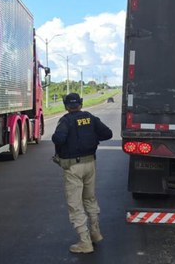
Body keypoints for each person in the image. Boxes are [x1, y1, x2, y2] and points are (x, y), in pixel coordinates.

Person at [52, 92, 113, 254]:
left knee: (75, 204)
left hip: (73, 167)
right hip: (90, 163)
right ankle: (95, 233)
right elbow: (108, 134)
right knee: (90, 199)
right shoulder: (90, 118)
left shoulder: (65, 121)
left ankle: (85, 242)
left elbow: (58, 139)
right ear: (81, 103)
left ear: (66, 106)